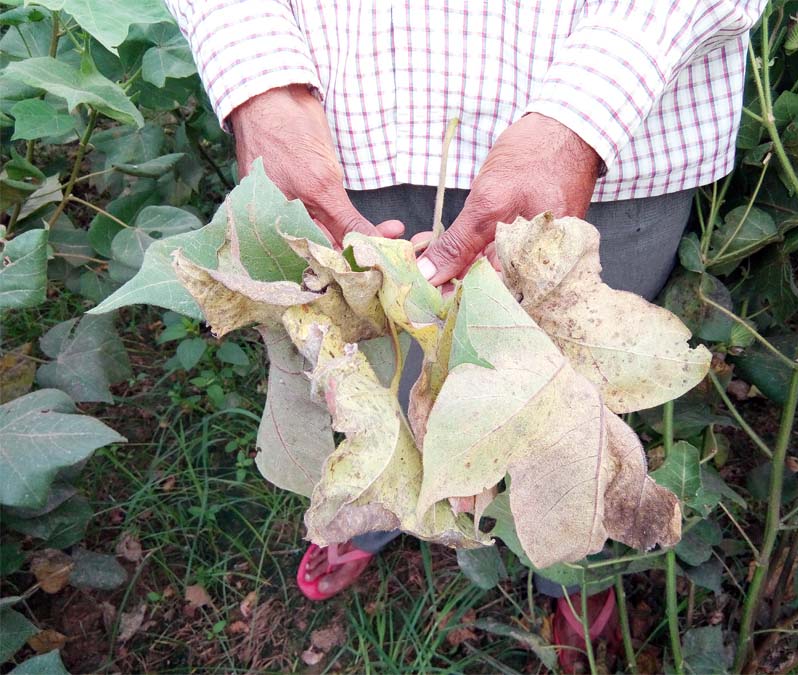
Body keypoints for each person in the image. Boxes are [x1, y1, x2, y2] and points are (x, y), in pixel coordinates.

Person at [167, 1, 766, 670]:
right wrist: (257, 78)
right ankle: (393, 502)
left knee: (571, 402)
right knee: (382, 381)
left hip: (616, 136)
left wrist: (585, 114)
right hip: (344, 126)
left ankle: (568, 569)